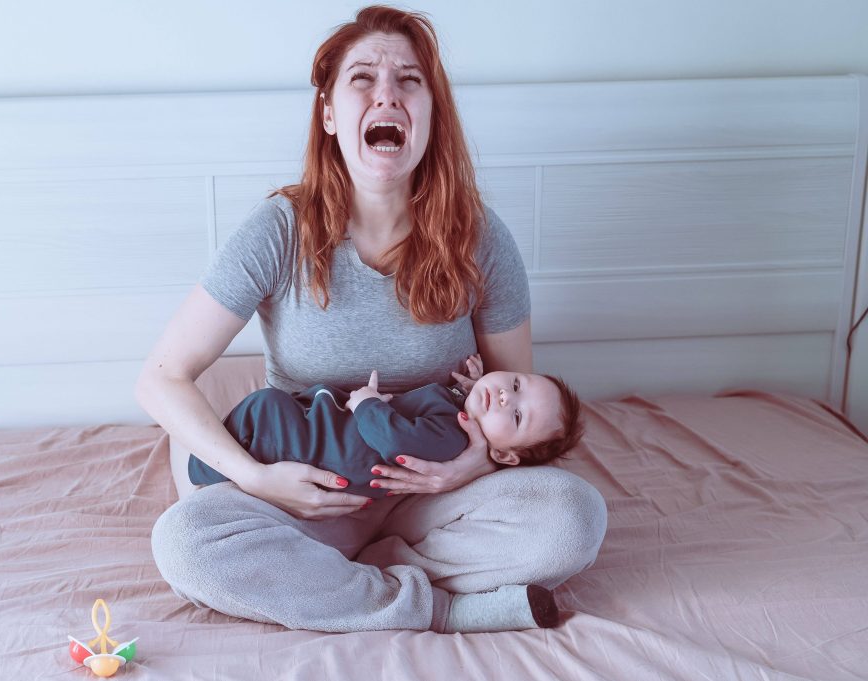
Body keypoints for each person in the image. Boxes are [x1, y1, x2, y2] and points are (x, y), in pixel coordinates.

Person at [139, 5, 607, 634]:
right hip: (304, 496)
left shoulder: (481, 239)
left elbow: (514, 397)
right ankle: (442, 607)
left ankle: (357, 580)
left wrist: (473, 465)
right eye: (362, 78)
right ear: (329, 114)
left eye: (409, 81)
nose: (387, 92)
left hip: (433, 501)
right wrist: (258, 478)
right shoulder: (279, 231)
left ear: (430, 117)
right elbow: (162, 378)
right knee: (185, 542)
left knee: (574, 517)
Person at [187, 357, 585, 502]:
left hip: (323, 447)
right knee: (262, 416)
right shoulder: (458, 419)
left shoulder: (451, 435)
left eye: (516, 416)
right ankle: (215, 474)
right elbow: (432, 415)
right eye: (514, 384)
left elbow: (395, 440)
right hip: (325, 448)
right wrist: (472, 388)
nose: (503, 397)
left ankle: (203, 473)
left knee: (267, 410)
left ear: (504, 455)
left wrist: (366, 404)